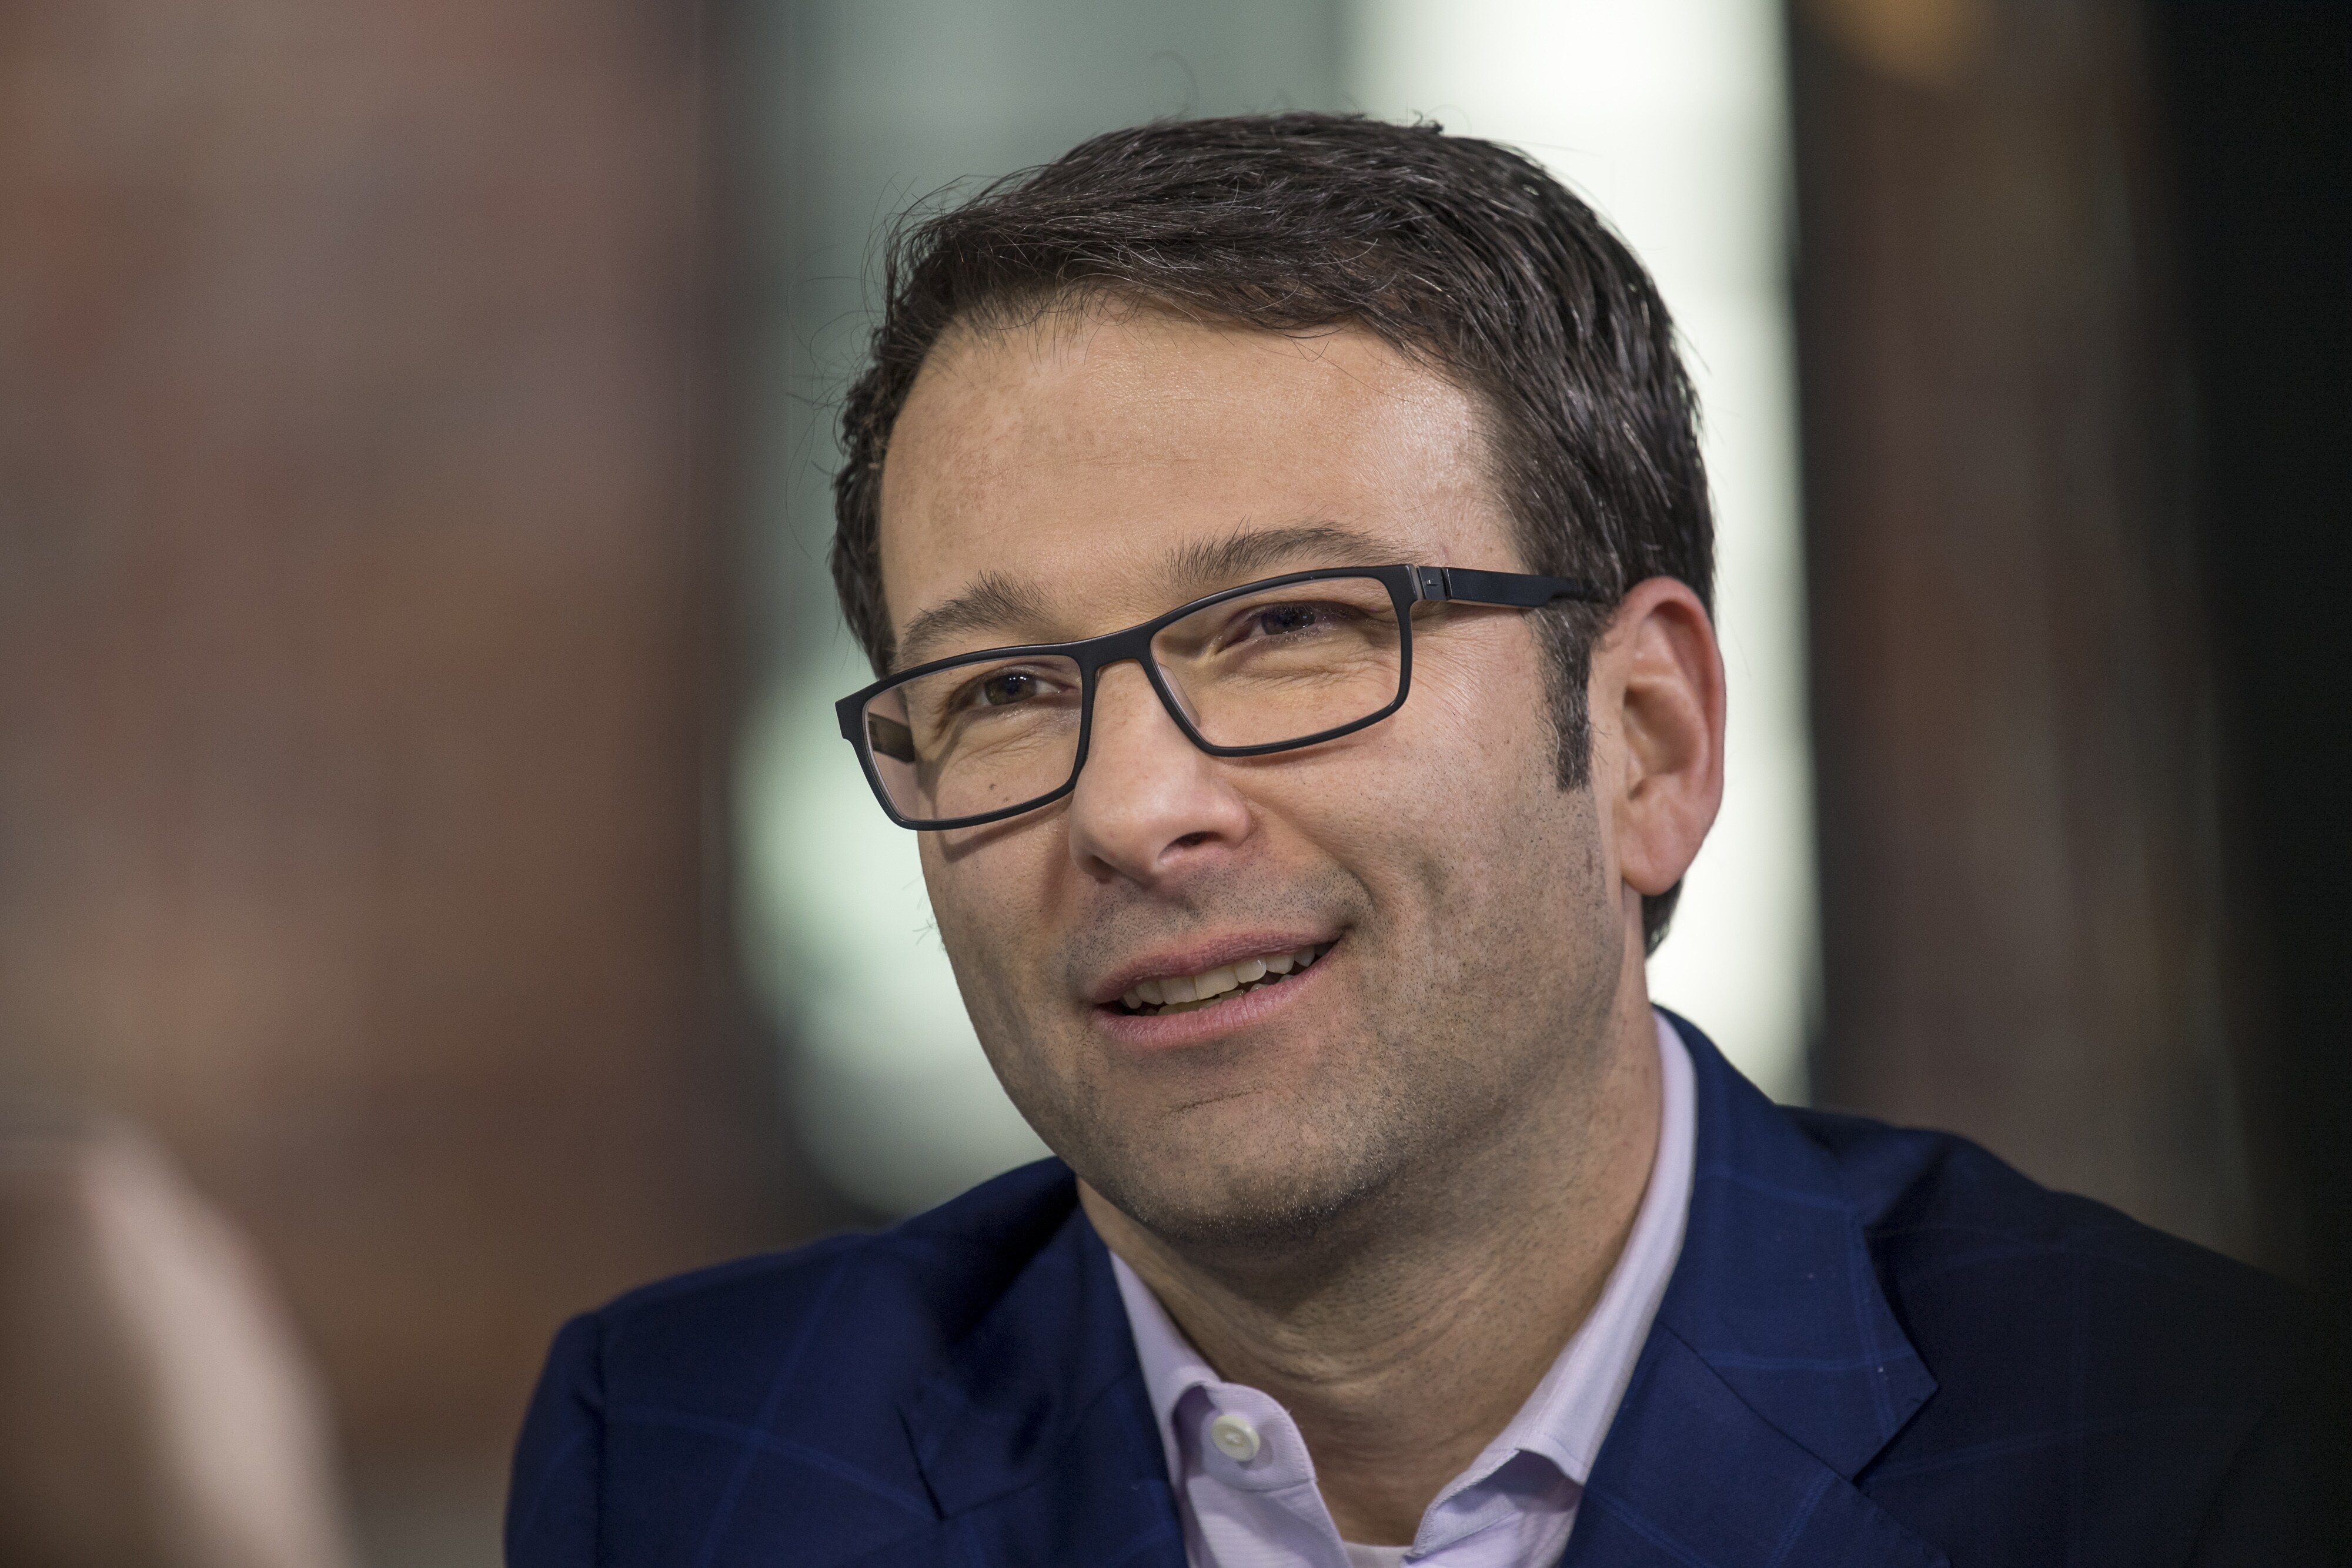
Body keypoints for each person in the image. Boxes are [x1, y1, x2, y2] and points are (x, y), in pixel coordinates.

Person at [505, 114, 2339, 1567]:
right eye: (998, 690)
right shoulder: (688, 1454)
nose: (1132, 809)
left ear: (1649, 740)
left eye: (1290, 627)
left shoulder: (2193, 1445)